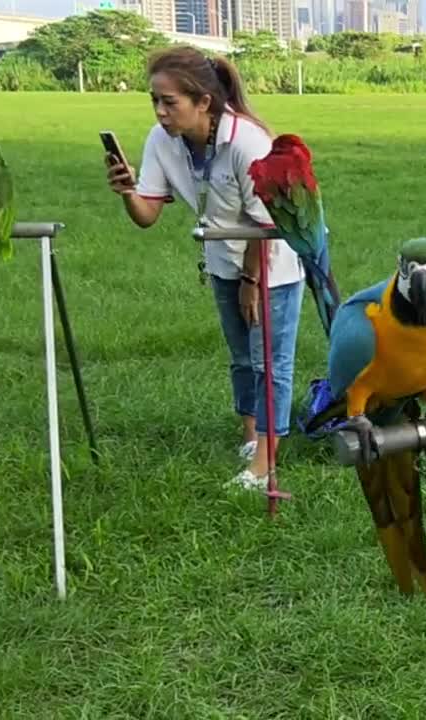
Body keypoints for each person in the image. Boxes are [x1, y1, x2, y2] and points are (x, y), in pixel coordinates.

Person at [104, 45, 306, 491]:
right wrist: (126, 190)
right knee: (240, 357)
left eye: (169, 101)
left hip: (272, 264)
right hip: (221, 262)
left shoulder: (247, 140)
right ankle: (250, 439)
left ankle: (265, 466)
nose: (159, 111)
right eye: (154, 100)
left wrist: (252, 282)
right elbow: (147, 215)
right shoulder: (162, 141)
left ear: (203, 102)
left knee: (269, 362)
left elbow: (266, 223)